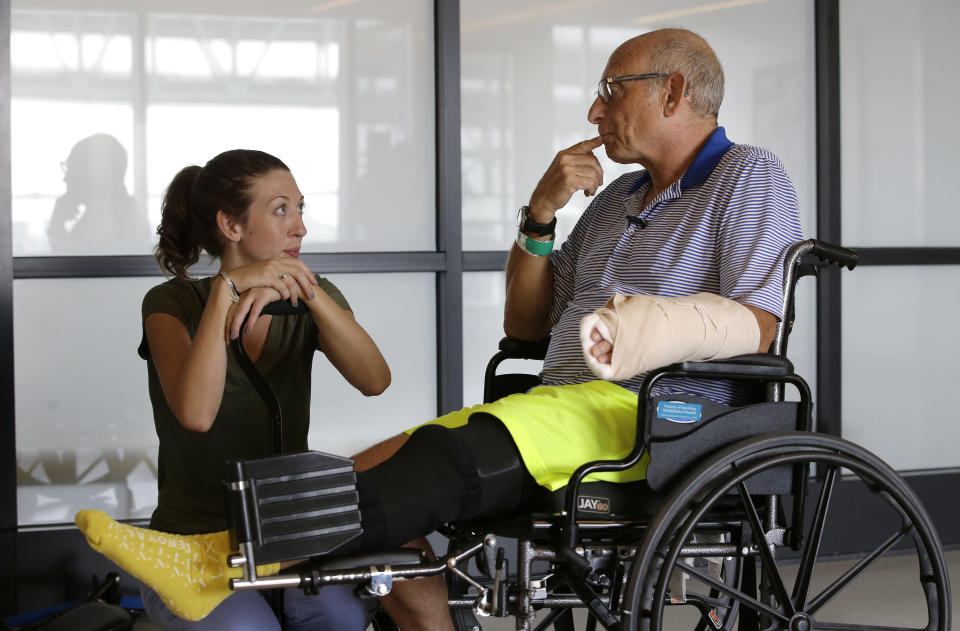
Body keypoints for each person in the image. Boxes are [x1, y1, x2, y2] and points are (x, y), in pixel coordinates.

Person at [75, 27, 804, 628]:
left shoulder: (748, 176)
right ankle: (215, 552)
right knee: (379, 459)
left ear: (673, 90)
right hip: (563, 406)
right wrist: (540, 215)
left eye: (612, 90)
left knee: (436, 469)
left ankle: (211, 558)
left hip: (663, 412)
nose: (593, 110)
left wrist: (637, 333)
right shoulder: (615, 201)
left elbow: (756, 327)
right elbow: (526, 323)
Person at [132, 149, 391, 631]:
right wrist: (225, 292)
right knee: (246, 629)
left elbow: (375, 380)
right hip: (192, 544)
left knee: (343, 617)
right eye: (281, 210)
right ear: (231, 226)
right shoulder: (170, 303)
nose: (300, 227)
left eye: (300, 209)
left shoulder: (314, 297)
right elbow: (196, 414)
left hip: (288, 538)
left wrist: (306, 291)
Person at [47, 133, 152, 254]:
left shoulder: (109, 222)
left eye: (72, 168)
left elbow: (71, 266)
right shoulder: (122, 212)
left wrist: (57, 226)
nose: (66, 178)